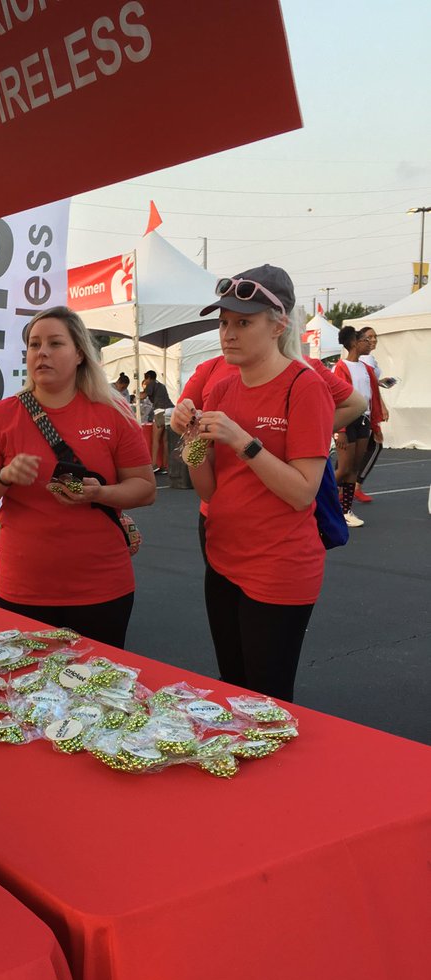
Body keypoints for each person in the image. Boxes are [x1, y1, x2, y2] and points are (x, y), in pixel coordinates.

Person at [172, 265, 334, 702]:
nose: (228, 334)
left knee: (267, 700)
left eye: (243, 323)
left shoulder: (304, 386)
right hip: (223, 559)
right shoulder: (222, 390)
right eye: (224, 323)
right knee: (232, 686)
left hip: (279, 567)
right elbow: (209, 490)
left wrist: (244, 442)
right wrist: (190, 439)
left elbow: (302, 492)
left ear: (278, 325)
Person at [0, 305, 155, 647]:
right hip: (23, 589)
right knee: (24, 679)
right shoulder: (1, 415)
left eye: (55, 343)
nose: (42, 353)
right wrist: (4, 476)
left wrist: (99, 493)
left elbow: (145, 489)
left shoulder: (113, 412)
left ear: (80, 353)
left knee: (97, 679)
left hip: (102, 588)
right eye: (34, 345)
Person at [176, 349, 366, 561]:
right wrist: (186, 425)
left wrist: (306, 435)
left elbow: (356, 404)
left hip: (279, 532)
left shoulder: (305, 371)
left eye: (243, 327)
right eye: (223, 328)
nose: (229, 335)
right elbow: (183, 424)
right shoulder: (216, 375)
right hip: (221, 522)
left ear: (277, 330)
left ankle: (346, 508)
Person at [333, 326, 387, 527]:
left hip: (364, 420)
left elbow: (372, 397)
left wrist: (376, 426)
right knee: (343, 468)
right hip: (347, 421)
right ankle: (317, 500)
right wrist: (340, 430)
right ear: (355, 343)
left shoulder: (366, 368)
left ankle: (346, 511)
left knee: (354, 468)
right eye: (366, 339)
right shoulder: (341, 367)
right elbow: (337, 400)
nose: (370, 343)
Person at [142, 370, 172, 471]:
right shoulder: (161, 385)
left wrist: (136, 394)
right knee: (165, 441)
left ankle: (154, 465)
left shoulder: (151, 383)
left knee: (155, 440)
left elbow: (143, 396)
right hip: (170, 411)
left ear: (148, 378)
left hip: (160, 411)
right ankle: (165, 466)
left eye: (145, 379)